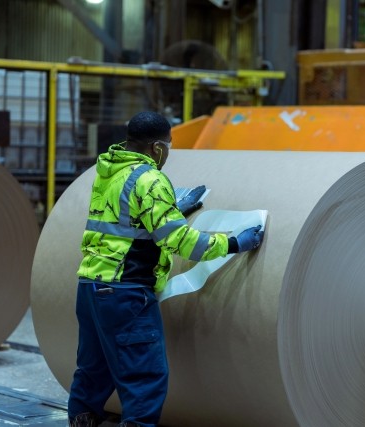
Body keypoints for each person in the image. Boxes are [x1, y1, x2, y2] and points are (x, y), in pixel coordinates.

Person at [68, 111, 264, 427]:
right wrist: (234, 243)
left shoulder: (109, 172)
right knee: (144, 377)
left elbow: (124, 221)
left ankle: (80, 421)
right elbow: (182, 243)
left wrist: (172, 209)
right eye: (169, 146)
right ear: (158, 147)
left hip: (91, 287)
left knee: (94, 368)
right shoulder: (151, 179)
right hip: (126, 294)